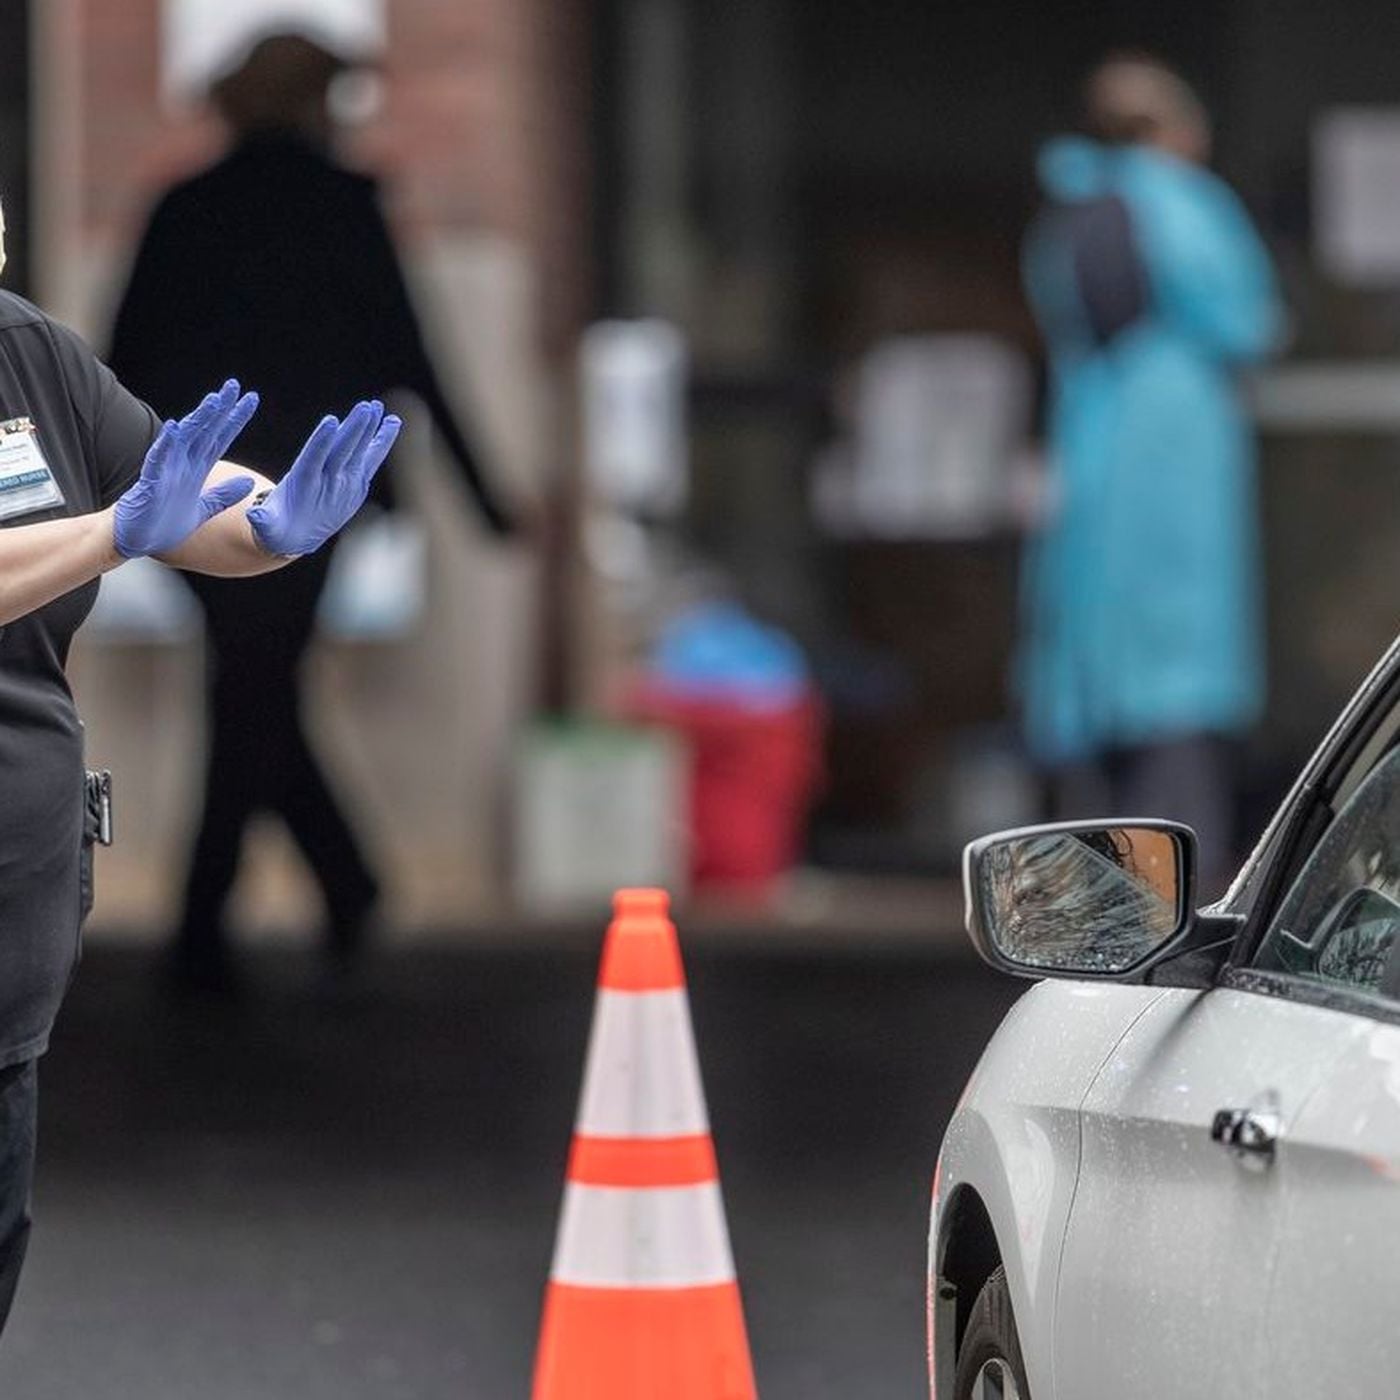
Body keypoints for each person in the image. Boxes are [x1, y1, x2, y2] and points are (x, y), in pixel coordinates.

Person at [0, 216, 402, 1327]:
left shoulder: (28, 354)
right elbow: (128, 523)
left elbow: (171, 488)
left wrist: (270, 522)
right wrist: (109, 536)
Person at [108, 32, 518, 994]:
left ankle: (236, 918)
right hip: (316, 492)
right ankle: (300, 898)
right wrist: (483, 497)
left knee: (249, 682)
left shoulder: (185, 208)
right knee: (258, 685)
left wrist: (119, 485)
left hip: (202, 492)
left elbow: (124, 359)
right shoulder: (345, 206)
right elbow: (412, 357)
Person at [1018, 53, 1285, 886]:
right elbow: (1248, 321)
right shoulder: (1183, 203)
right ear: (1178, 128)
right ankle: (1180, 885)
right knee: (1177, 684)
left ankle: (1099, 890)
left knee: (1097, 680)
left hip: (1091, 461)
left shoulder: (1071, 210)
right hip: (1171, 465)